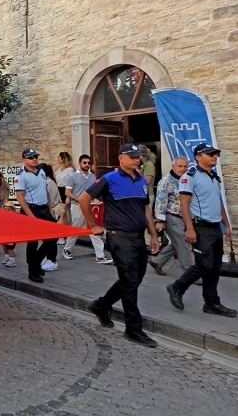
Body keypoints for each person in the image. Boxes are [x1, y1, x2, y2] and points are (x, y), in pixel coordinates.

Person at [80, 143, 160, 347]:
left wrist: (153, 235)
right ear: (121, 158)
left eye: (138, 157)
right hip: (119, 238)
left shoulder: (141, 179)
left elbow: (146, 210)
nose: (136, 160)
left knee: (133, 280)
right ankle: (133, 328)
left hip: (137, 238)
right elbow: (84, 199)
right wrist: (93, 225)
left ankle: (101, 305)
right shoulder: (109, 179)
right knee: (130, 281)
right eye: (132, 156)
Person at [166, 144, 236, 317]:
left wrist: (226, 225)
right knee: (204, 264)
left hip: (214, 226)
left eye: (215, 154)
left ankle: (212, 303)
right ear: (198, 157)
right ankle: (177, 287)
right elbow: (184, 204)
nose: (214, 156)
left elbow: (217, 202)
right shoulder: (190, 176)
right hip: (200, 226)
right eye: (210, 154)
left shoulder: (214, 176)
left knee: (215, 266)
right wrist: (189, 229)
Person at [14, 148, 57, 283]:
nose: (34, 159)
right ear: (24, 159)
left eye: (35, 157)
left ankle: (35, 262)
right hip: (31, 209)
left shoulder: (42, 172)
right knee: (32, 242)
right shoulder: (21, 175)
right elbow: (20, 197)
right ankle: (32, 271)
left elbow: (45, 191)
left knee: (53, 237)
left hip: (44, 208)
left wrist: (50, 208)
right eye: (31, 157)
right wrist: (30, 215)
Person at [63, 154, 113, 264]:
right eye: (84, 162)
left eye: (88, 163)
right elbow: (67, 192)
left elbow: (94, 192)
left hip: (91, 206)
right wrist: (79, 200)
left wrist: (95, 199)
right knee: (76, 228)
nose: (87, 165)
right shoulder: (73, 176)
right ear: (79, 163)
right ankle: (67, 249)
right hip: (77, 206)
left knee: (93, 228)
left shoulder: (92, 177)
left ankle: (100, 255)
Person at [149, 157, 192, 275]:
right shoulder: (165, 181)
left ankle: (157, 261)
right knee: (183, 241)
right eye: (180, 166)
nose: (182, 169)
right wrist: (160, 220)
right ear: (173, 166)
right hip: (171, 216)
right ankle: (189, 273)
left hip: (185, 217)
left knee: (177, 242)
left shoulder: (187, 180)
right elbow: (160, 202)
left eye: (185, 166)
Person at [37, 162, 63, 271]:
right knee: (48, 238)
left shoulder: (49, 182)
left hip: (51, 213)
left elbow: (50, 200)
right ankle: (49, 259)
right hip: (48, 213)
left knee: (50, 239)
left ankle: (51, 260)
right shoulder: (46, 182)